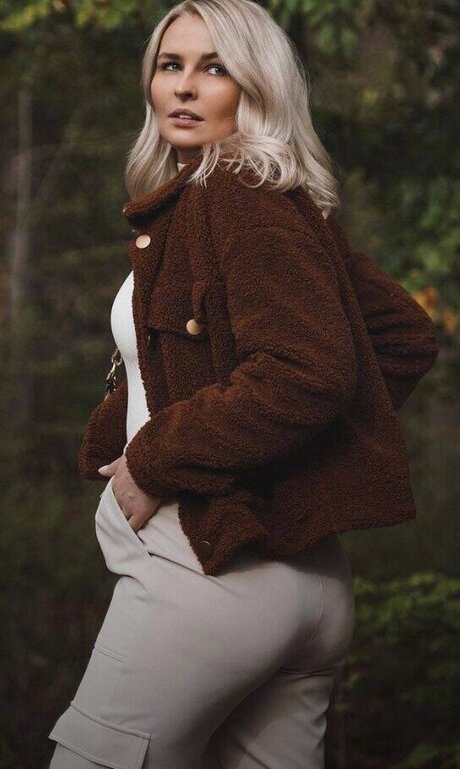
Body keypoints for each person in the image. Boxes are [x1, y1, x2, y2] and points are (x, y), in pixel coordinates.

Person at [47, 1, 439, 768]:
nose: (185, 87)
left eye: (215, 67)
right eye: (171, 65)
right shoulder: (276, 200)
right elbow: (398, 337)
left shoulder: (235, 195)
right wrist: (291, 466)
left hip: (211, 575)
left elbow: (309, 370)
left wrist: (158, 458)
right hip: (307, 584)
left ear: (256, 84)